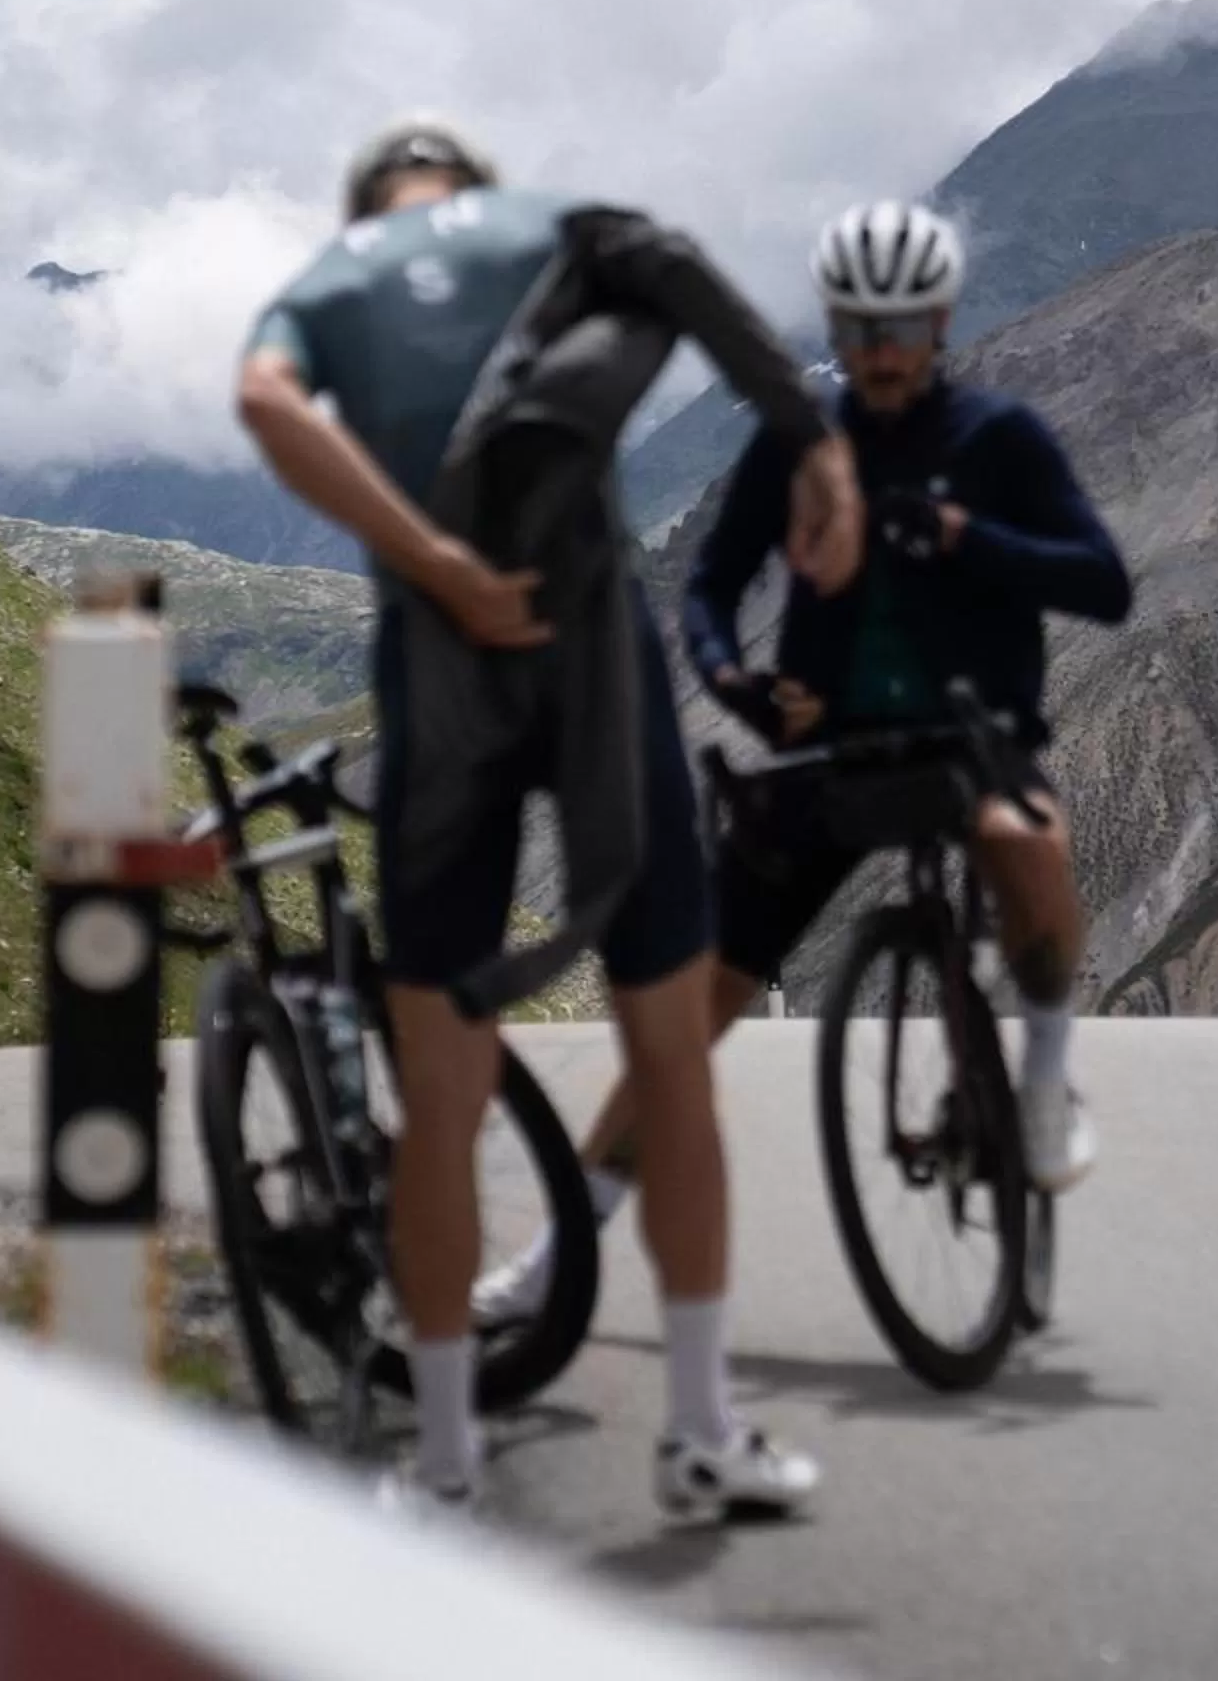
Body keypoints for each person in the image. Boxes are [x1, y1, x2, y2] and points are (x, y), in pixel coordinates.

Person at [234, 118, 862, 1519]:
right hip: (595, 664)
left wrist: (434, 559)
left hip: (440, 666)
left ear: (368, 206)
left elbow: (268, 405)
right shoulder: (551, 230)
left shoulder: (335, 279)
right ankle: (700, 1432)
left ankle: (446, 1467)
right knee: (672, 1066)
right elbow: (685, 274)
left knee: (442, 1097)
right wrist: (813, 445)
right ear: (476, 189)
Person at [476, 199, 1132, 1327]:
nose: (882, 351)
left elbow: (1103, 583)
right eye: (860, 327)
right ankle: (554, 1261)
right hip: (830, 752)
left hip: (975, 736)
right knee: (690, 1017)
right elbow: (710, 587)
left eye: (903, 327)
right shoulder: (799, 445)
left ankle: (1039, 1078)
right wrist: (734, 680)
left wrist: (968, 538)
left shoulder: (999, 440)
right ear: (836, 324)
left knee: (1024, 837)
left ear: (939, 324)